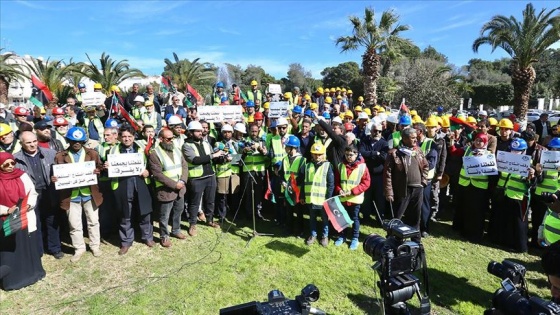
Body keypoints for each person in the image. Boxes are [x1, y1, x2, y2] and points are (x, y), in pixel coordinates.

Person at [52, 127, 104, 262]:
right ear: (68, 140)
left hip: (90, 194)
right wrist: (54, 178)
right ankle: (79, 248)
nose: (77, 143)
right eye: (74, 141)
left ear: (83, 141)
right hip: (71, 196)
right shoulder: (60, 156)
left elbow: (100, 167)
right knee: (74, 224)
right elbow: (56, 173)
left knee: (93, 222)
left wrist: (98, 170)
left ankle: (95, 246)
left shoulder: (92, 153)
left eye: (80, 141)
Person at [14, 131, 63, 259]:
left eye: (34, 141)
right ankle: (38, 250)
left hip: (49, 191)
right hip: (31, 195)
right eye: (28, 142)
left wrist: (57, 178)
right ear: (21, 143)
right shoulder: (15, 159)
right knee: (35, 222)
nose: (32, 145)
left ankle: (55, 248)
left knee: (52, 220)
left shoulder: (51, 154)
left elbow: (62, 170)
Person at [106, 126, 154, 255]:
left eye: (129, 136)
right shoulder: (113, 150)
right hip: (122, 185)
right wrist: (107, 166)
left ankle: (147, 237)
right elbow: (108, 168)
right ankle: (126, 241)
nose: (127, 139)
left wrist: (147, 172)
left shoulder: (142, 149)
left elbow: (151, 164)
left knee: (145, 212)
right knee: (125, 214)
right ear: (120, 137)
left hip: (140, 183)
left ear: (134, 137)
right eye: (124, 137)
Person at [0, 152, 44, 290]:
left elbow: (32, 192)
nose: (10, 166)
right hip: (5, 220)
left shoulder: (22, 175)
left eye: (12, 163)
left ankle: (33, 274)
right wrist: (6, 210)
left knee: (27, 246)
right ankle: (13, 280)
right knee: (10, 251)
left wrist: (29, 205)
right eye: (5, 164)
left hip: (24, 216)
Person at [491, 138, 535, 253]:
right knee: (502, 219)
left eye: (518, 151)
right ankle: (499, 241)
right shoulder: (504, 160)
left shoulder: (529, 165)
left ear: (524, 151)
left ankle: (520, 246)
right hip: (503, 194)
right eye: (513, 150)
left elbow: (532, 184)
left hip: (518, 197)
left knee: (518, 223)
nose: (514, 153)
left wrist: (532, 176)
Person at [148, 129, 189, 247]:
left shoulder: (177, 149)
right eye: (168, 139)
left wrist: (182, 180)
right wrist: (174, 184)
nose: (171, 141)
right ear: (161, 139)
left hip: (180, 188)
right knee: (164, 215)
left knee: (178, 210)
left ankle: (176, 230)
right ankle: (164, 236)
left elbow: (184, 166)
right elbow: (157, 174)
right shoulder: (155, 154)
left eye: (173, 138)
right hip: (166, 190)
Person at [383, 128, 429, 233]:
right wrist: (389, 192)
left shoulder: (418, 151)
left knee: (415, 218)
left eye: (416, 138)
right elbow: (387, 174)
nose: (415, 140)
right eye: (412, 138)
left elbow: (426, 165)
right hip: (402, 190)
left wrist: (423, 181)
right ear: (404, 138)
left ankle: (416, 241)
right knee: (397, 217)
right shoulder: (394, 153)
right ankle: (393, 238)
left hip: (418, 190)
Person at [183, 121, 224, 234]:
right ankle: (192, 224)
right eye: (198, 131)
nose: (201, 132)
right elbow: (195, 160)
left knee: (210, 200)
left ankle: (209, 220)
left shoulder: (206, 143)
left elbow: (213, 158)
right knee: (194, 202)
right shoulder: (186, 145)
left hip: (210, 175)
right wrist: (213, 155)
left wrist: (221, 157)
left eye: (201, 130)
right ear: (190, 132)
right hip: (196, 178)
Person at [453, 133, 491, 243]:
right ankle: (463, 230)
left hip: (479, 186)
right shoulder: (468, 150)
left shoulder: (488, 154)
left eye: (481, 141)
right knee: (465, 208)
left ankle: (474, 234)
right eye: (476, 140)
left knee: (476, 212)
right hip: (465, 183)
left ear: (485, 143)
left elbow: (491, 171)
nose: (478, 143)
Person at [334, 144, 370, 250]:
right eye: (346, 155)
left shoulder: (362, 167)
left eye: (351, 155)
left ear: (356, 154)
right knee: (342, 218)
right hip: (343, 197)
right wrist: (339, 190)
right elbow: (337, 181)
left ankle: (355, 238)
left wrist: (353, 191)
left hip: (355, 198)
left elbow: (366, 183)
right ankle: (342, 236)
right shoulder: (341, 166)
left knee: (355, 219)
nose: (349, 157)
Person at [301, 143, 334, 247]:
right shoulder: (307, 166)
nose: (317, 156)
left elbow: (330, 184)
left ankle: (325, 236)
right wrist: (302, 196)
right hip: (310, 198)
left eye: (319, 154)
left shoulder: (327, 166)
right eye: (315, 154)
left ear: (323, 154)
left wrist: (328, 198)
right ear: (312, 154)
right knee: (312, 218)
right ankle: (313, 234)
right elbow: (304, 182)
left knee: (324, 219)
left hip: (322, 199)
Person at [359, 121, 388, 223]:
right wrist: (375, 153)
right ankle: (366, 217)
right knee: (366, 197)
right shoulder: (365, 140)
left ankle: (380, 218)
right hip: (366, 175)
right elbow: (361, 153)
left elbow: (384, 157)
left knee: (380, 198)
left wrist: (369, 156)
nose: (377, 133)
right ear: (371, 131)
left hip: (379, 176)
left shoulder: (384, 143)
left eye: (380, 131)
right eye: (375, 131)